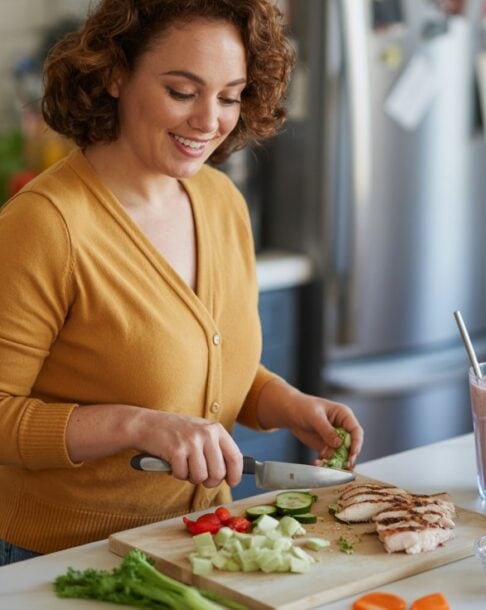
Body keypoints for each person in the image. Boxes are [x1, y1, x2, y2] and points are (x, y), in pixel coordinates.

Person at [0, 0, 363, 566]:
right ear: (117, 73)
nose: (209, 122)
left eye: (228, 96)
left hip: (200, 544)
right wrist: (136, 426)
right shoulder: (46, 224)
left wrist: (284, 403)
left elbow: (203, 367)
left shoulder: (221, 202)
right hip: (59, 560)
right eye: (182, 91)